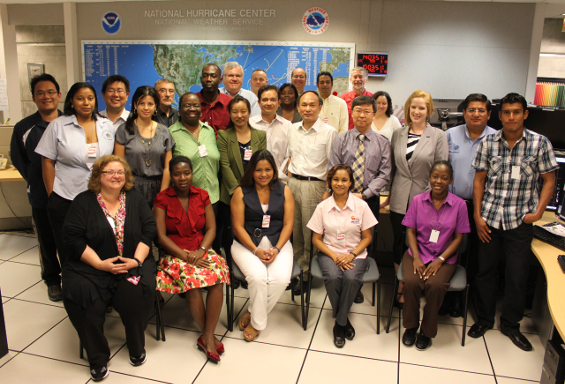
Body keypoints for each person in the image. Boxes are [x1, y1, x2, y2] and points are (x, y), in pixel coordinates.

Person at [468, 93, 558, 352]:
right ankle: (484, 319)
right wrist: (477, 215)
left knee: (517, 275)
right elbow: (479, 181)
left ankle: (510, 324)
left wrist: (539, 212)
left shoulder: (540, 144)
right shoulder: (488, 143)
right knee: (485, 272)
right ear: (500, 115)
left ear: (525, 114)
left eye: (516, 112)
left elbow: (549, 180)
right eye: (506, 112)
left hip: (520, 221)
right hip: (490, 219)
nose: (510, 117)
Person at [62, 155, 157, 382]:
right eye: (110, 172)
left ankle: (136, 347)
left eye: (120, 172)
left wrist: (136, 261)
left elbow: (148, 230)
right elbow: (72, 238)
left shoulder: (134, 198)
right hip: (90, 267)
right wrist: (99, 264)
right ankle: (97, 358)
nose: (116, 176)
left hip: (130, 263)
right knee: (85, 300)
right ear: (98, 176)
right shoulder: (83, 202)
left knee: (136, 294)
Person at [154, 156, 230, 362]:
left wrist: (202, 250)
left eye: (186, 173)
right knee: (193, 283)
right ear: (171, 176)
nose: (182, 178)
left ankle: (206, 335)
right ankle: (209, 336)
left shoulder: (202, 195)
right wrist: (186, 256)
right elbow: (160, 236)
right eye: (177, 174)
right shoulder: (162, 198)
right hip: (174, 253)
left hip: (201, 250)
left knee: (218, 278)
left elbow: (212, 228)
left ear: (192, 173)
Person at [35, 82, 115, 269]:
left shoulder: (107, 125)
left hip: (99, 196)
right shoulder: (58, 125)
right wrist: (51, 195)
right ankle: (72, 286)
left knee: (98, 241)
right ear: (71, 101)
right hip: (66, 196)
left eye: (90, 98)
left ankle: (97, 284)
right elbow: (47, 161)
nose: (86, 103)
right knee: (68, 245)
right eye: (80, 98)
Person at [383, 90, 448, 307]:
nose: (417, 111)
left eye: (422, 108)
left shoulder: (438, 136)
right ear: (408, 109)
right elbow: (392, 169)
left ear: (429, 111)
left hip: (426, 198)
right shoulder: (398, 134)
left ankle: (417, 283)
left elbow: (441, 170)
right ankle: (401, 286)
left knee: (421, 244)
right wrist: (390, 195)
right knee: (399, 242)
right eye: (413, 107)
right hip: (400, 198)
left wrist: (433, 198)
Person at [327, 95, 391, 303]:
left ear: (374, 114)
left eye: (366, 111)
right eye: (358, 111)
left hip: (367, 200)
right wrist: (343, 193)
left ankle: (356, 284)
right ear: (352, 113)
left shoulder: (382, 143)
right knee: (340, 236)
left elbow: (385, 173)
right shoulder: (341, 139)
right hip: (340, 199)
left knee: (363, 241)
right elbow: (333, 168)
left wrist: (364, 194)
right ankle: (340, 276)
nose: (362, 115)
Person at [400, 161, 470, 351]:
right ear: (429, 178)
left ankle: (426, 331)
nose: (439, 181)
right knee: (412, 282)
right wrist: (416, 258)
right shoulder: (417, 200)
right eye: (435, 176)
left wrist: (440, 260)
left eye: (444, 177)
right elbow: (410, 232)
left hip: (445, 257)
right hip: (418, 252)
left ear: (451, 180)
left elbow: (458, 238)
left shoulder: (459, 205)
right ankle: (411, 327)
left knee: (436, 285)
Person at [307, 164, 378, 348]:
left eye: (344, 180)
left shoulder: (361, 206)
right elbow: (316, 239)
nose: (340, 183)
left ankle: (339, 323)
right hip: (329, 252)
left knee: (351, 278)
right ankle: (343, 320)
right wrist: (334, 255)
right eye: (336, 179)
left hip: (356, 253)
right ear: (330, 182)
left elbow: (368, 237)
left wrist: (352, 254)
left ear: (351, 183)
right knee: (332, 276)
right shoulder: (323, 207)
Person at [230, 150, 295, 341]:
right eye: (258, 170)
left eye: (268, 169)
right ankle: (258, 324)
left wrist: (276, 249)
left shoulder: (284, 190)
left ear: (274, 170)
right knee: (258, 278)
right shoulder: (241, 191)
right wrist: (256, 250)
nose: (263, 174)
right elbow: (238, 227)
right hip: (247, 243)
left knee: (282, 279)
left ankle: (253, 311)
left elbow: (288, 224)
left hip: (277, 242)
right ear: (251, 171)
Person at [10, 74, 62, 301]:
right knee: (47, 238)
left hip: (73, 194)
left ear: (59, 95)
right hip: (42, 196)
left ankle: (75, 276)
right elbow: (20, 160)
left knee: (74, 237)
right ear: (33, 97)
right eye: (40, 93)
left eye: (50, 92)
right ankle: (52, 279)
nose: (46, 96)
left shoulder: (71, 121)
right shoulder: (24, 127)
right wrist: (34, 181)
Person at [442, 93, 495, 317]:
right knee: (449, 252)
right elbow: (441, 169)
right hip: (453, 205)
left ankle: (464, 299)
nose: (476, 114)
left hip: (481, 208)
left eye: (481, 110)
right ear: (463, 112)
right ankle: (447, 298)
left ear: (489, 114)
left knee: (474, 256)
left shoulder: (496, 138)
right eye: (471, 110)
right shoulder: (450, 135)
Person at [287, 91, 338, 295]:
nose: (307, 109)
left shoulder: (329, 132)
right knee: (295, 230)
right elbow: (289, 156)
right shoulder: (292, 129)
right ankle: (299, 269)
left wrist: (327, 190)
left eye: (312, 105)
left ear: (320, 108)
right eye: (304, 105)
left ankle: (308, 274)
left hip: (314, 186)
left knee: (310, 232)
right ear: (298, 107)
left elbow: (333, 166)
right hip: (292, 183)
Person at [114, 86, 174, 208]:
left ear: (156, 106)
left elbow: (168, 167)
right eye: (142, 103)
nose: (146, 108)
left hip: (158, 187)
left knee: (156, 226)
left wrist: (162, 195)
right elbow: (119, 166)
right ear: (135, 105)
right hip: (131, 187)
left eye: (150, 104)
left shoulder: (164, 131)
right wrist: (124, 191)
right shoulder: (124, 130)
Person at [168, 92, 221, 208]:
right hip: (185, 201)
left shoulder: (209, 131)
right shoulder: (170, 134)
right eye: (187, 105)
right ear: (179, 110)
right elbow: (167, 170)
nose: (192, 109)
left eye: (196, 105)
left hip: (213, 198)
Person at [217, 95, 267, 207]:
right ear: (230, 113)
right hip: (231, 195)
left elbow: (262, 164)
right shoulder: (224, 135)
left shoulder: (260, 135)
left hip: (256, 192)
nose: (239, 115)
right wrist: (238, 192)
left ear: (249, 112)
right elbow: (224, 165)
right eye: (235, 112)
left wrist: (255, 189)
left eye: (243, 111)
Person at [249, 84, 292, 182]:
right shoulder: (250, 124)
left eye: (273, 100)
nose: (269, 103)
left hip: (280, 180)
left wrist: (277, 175)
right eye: (265, 100)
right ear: (259, 103)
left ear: (279, 102)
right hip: (253, 180)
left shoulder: (288, 126)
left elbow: (288, 155)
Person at [196, 64, 232, 133]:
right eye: (205, 76)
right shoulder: (192, 102)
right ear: (201, 79)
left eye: (213, 76)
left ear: (220, 80)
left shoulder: (229, 103)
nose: (208, 79)